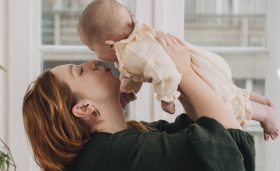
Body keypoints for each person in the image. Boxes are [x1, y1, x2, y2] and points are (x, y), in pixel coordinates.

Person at [22, 32, 255, 171]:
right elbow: (233, 147)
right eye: (80, 72)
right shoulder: (115, 154)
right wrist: (185, 72)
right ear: (84, 108)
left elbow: (201, 129)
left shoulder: (123, 140)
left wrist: (169, 71)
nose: (90, 63)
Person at [77, 0, 278, 140]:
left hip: (196, 68)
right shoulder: (130, 50)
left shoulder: (134, 52)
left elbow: (165, 71)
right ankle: (256, 99)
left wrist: (167, 97)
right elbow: (134, 75)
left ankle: (265, 114)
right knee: (223, 92)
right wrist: (128, 91)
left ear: (110, 44)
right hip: (202, 64)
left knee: (224, 106)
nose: (95, 56)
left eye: (94, 49)